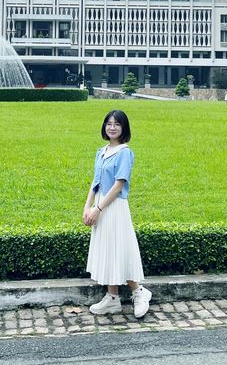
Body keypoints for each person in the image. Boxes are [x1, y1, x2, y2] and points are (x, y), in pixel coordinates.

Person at [83, 110, 151, 318]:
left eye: (117, 124)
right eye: (108, 123)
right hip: (100, 204)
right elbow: (95, 182)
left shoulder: (124, 152)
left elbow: (119, 184)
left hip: (114, 206)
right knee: (107, 249)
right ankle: (112, 298)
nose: (112, 127)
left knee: (119, 249)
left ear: (124, 128)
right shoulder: (101, 151)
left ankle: (138, 292)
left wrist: (99, 208)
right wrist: (87, 207)